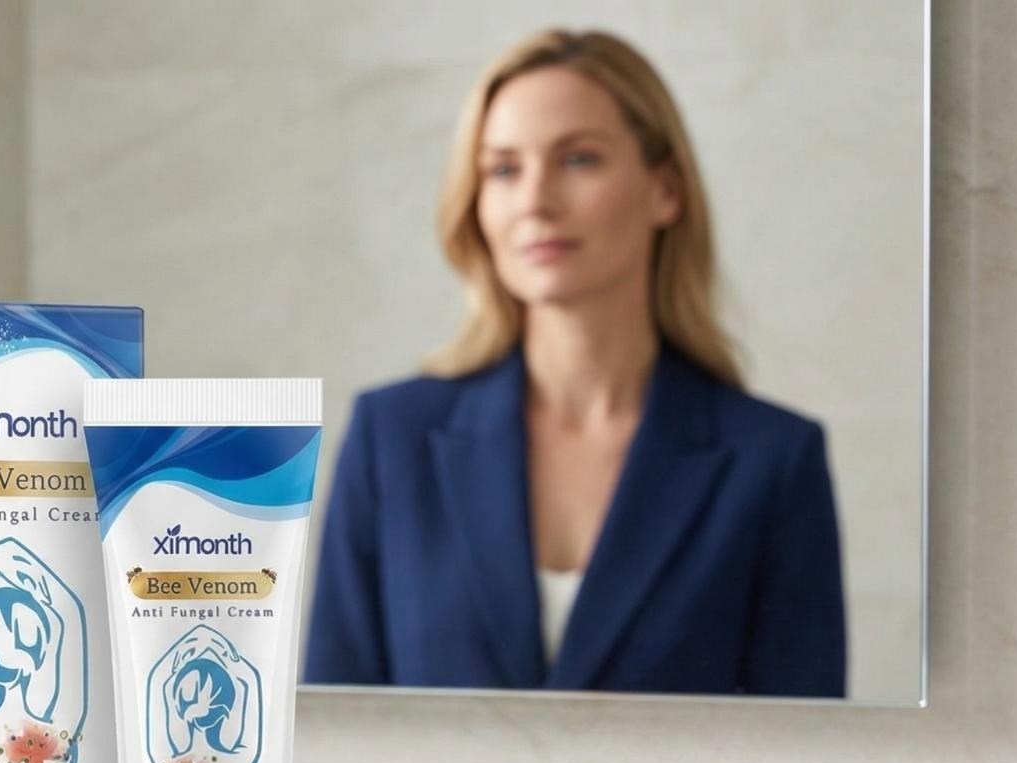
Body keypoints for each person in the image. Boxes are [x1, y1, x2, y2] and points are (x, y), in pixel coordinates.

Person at [304, 28, 846, 696]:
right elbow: (335, 733)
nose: (535, 201)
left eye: (579, 159)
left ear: (665, 190)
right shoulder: (391, 439)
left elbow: (806, 750)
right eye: (503, 170)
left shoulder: (773, 461)